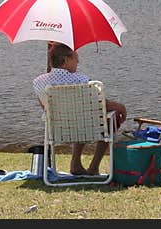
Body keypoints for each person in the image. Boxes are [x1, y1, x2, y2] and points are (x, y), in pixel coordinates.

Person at [32, 43, 127, 176]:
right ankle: (93, 167)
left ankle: (76, 163)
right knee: (108, 119)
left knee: (77, 114)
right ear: (65, 60)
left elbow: (45, 108)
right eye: (75, 57)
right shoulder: (82, 80)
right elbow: (97, 103)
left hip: (57, 129)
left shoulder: (38, 82)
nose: (78, 61)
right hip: (84, 128)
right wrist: (119, 107)